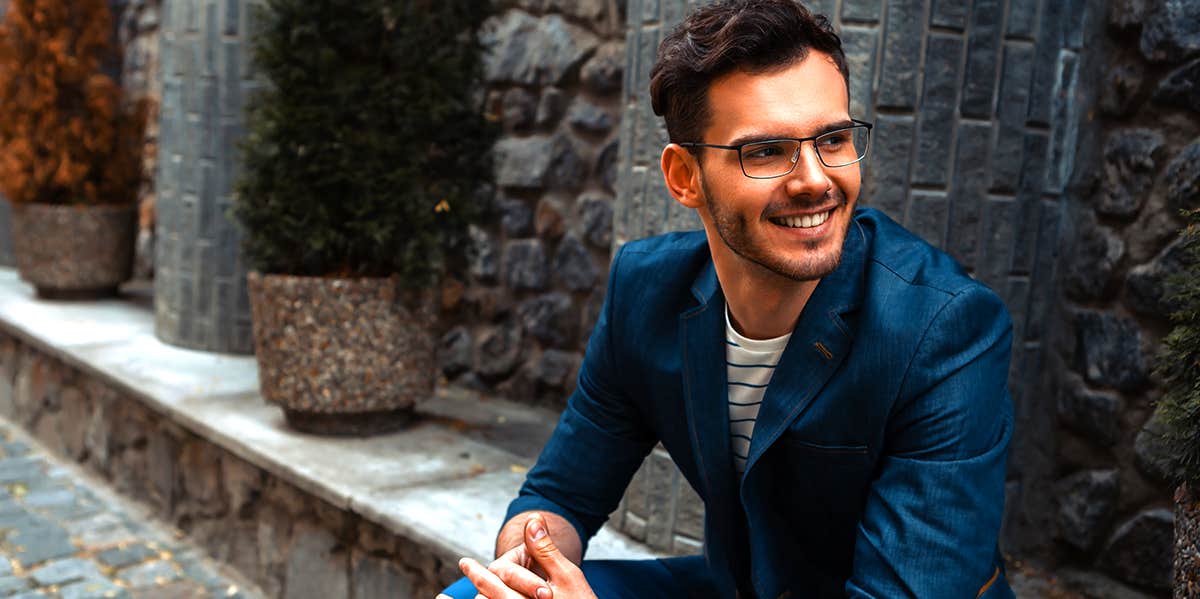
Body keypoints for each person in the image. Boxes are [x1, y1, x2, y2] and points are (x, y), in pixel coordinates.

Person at [440, 1, 1015, 597]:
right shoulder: (647, 290)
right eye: (765, 151)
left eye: (834, 139)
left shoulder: (946, 330)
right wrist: (526, 573)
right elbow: (559, 495)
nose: (815, 179)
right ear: (684, 177)